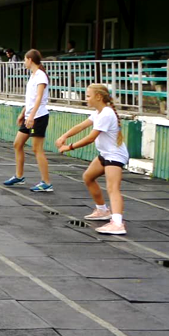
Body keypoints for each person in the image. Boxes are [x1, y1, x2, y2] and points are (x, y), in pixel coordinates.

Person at [57, 83, 128, 235]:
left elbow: (90, 138)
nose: (86, 98)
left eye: (88, 96)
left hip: (114, 156)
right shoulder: (98, 113)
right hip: (105, 154)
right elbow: (81, 126)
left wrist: (68, 147)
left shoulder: (106, 114)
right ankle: (102, 210)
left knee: (112, 188)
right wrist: (64, 136)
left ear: (98, 97)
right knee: (88, 177)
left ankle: (117, 223)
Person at [5, 49, 54, 192]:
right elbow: (31, 99)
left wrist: (31, 116)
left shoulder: (41, 76)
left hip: (38, 117)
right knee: (17, 144)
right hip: (30, 115)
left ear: (30, 60)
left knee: (37, 149)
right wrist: (23, 112)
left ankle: (46, 182)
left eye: (25, 59)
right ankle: (19, 176)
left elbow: (39, 98)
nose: (24, 62)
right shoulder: (33, 76)